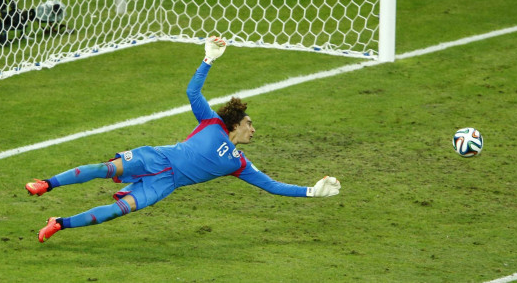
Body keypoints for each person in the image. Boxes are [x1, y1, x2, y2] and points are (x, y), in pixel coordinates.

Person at [25, 36, 341, 242]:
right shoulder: (211, 122)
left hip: (165, 184)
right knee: (103, 169)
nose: (253, 130)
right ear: (235, 122)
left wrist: (312, 191)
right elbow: (193, 92)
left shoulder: (238, 162)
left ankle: (59, 223)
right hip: (157, 157)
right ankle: (47, 184)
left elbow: (271, 185)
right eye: (249, 124)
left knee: (114, 213)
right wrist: (208, 60)